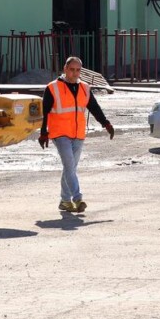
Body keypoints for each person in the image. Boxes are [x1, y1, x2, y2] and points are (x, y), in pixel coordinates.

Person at [38, 56, 115, 213]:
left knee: (70, 168)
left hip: (78, 133)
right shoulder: (52, 88)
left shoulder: (85, 88)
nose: (74, 73)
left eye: (78, 70)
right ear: (65, 69)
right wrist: (43, 132)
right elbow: (44, 112)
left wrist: (106, 123)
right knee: (69, 165)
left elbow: (94, 107)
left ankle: (65, 201)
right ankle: (77, 198)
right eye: (71, 70)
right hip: (59, 133)